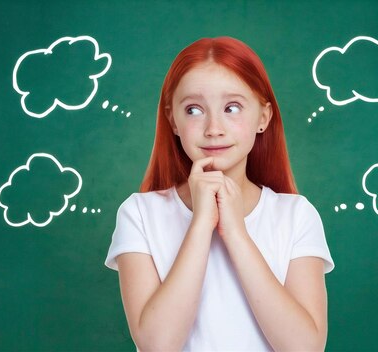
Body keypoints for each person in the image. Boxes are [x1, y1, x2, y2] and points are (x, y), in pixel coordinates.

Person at [105, 36, 334, 351]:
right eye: (194, 109)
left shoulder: (296, 215)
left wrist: (236, 233)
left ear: (263, 118)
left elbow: (306, 347)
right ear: (172, 119)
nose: (214, 127)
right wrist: (201, 223)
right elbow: (158, 345)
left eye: (232, 107)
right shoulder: (139, 213)